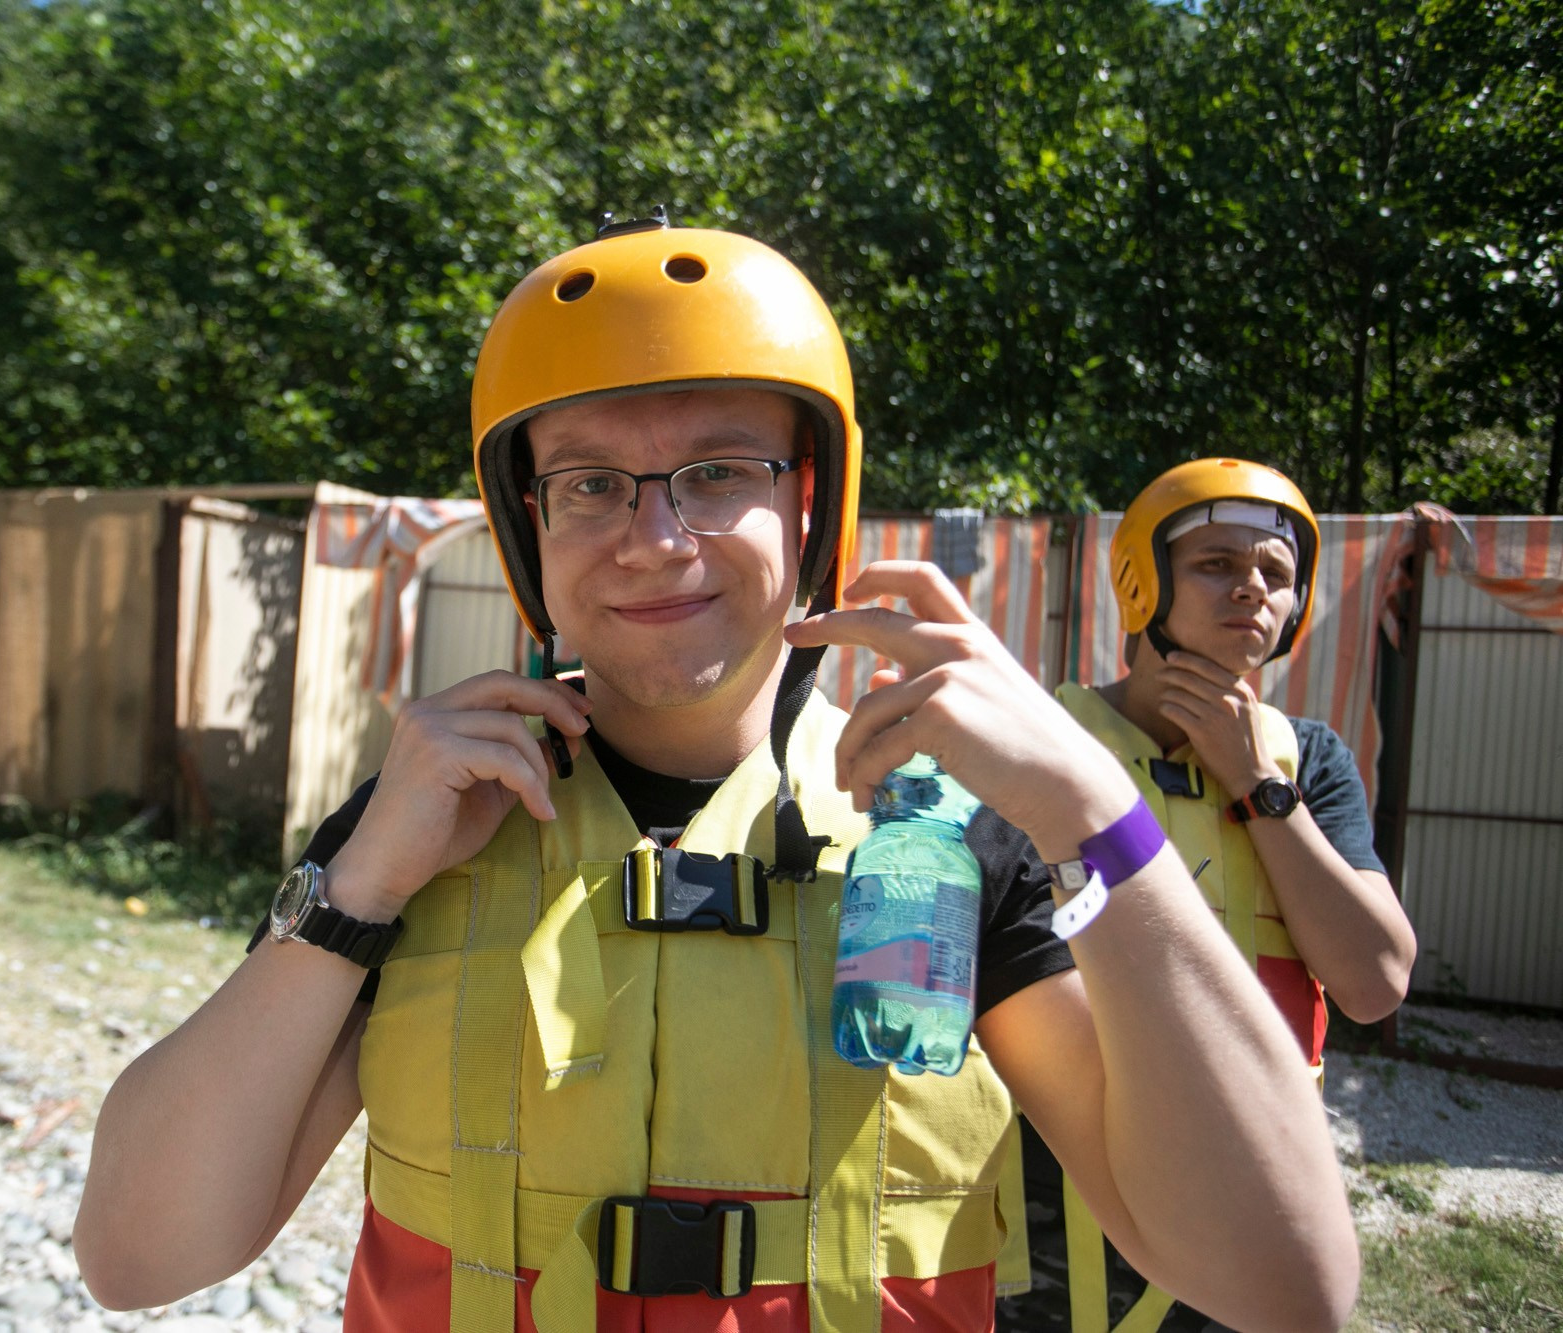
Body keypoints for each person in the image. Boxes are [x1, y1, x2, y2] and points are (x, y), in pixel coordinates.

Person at [72, 216, 1359, 1332]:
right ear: (530, 527)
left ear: (811, 507)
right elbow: (141, 1256)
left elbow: (1284, 1282)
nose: (652, 538)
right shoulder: (421, 822)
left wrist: (1095, 811)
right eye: (588, 483)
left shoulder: (964, 833)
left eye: (718, 471)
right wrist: (354, 886)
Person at [998, 459, 1416, 1333]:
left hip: (1249, 1183)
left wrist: (1256, 782)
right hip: (1059, 1200)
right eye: (1216, 563)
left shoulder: (1309, 763)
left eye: (1275, 573)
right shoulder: (1039, 740)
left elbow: (1375, 980)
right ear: (1144, 581)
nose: (1251, 590)